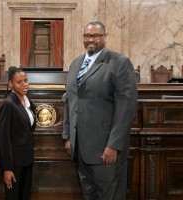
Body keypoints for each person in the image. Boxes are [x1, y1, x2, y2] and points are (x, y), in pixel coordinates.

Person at [62, 21, 137, 200]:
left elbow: (126, 108)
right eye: (87, 36)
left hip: (106, 151)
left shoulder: (119, 63)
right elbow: (70, 101)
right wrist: (68, 136)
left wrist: (113, 145)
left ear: (104, 37)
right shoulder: (75, 64)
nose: (91, 40)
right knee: (89, 196)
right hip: (80, 149)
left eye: (96, 36)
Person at [0, 66, 36, 200]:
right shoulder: (8, 104)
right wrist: (8, 168)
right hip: (14, 163)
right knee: (13, 196)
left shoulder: (28, 102)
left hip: (26, 160)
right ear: (10, 84)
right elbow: (4, 139)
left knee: (24, 196)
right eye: (19, 82)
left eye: (25, 80)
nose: (24, 84)